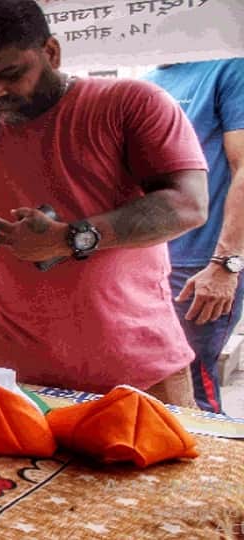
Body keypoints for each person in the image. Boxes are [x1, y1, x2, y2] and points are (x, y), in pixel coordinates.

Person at [0, 0, 208, 404]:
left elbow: (187, 205)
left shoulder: (130, 103)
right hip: (7, 373)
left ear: (51, 52)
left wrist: (71, 238)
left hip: (136, 370)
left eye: (10, 74)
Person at [144, 59, 244, 413]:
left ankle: (222, 467)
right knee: (156, 388)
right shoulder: (148, 78)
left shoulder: (229, 68)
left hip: (200, 264)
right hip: (148, 263)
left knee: (192, 387)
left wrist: (226, 264)